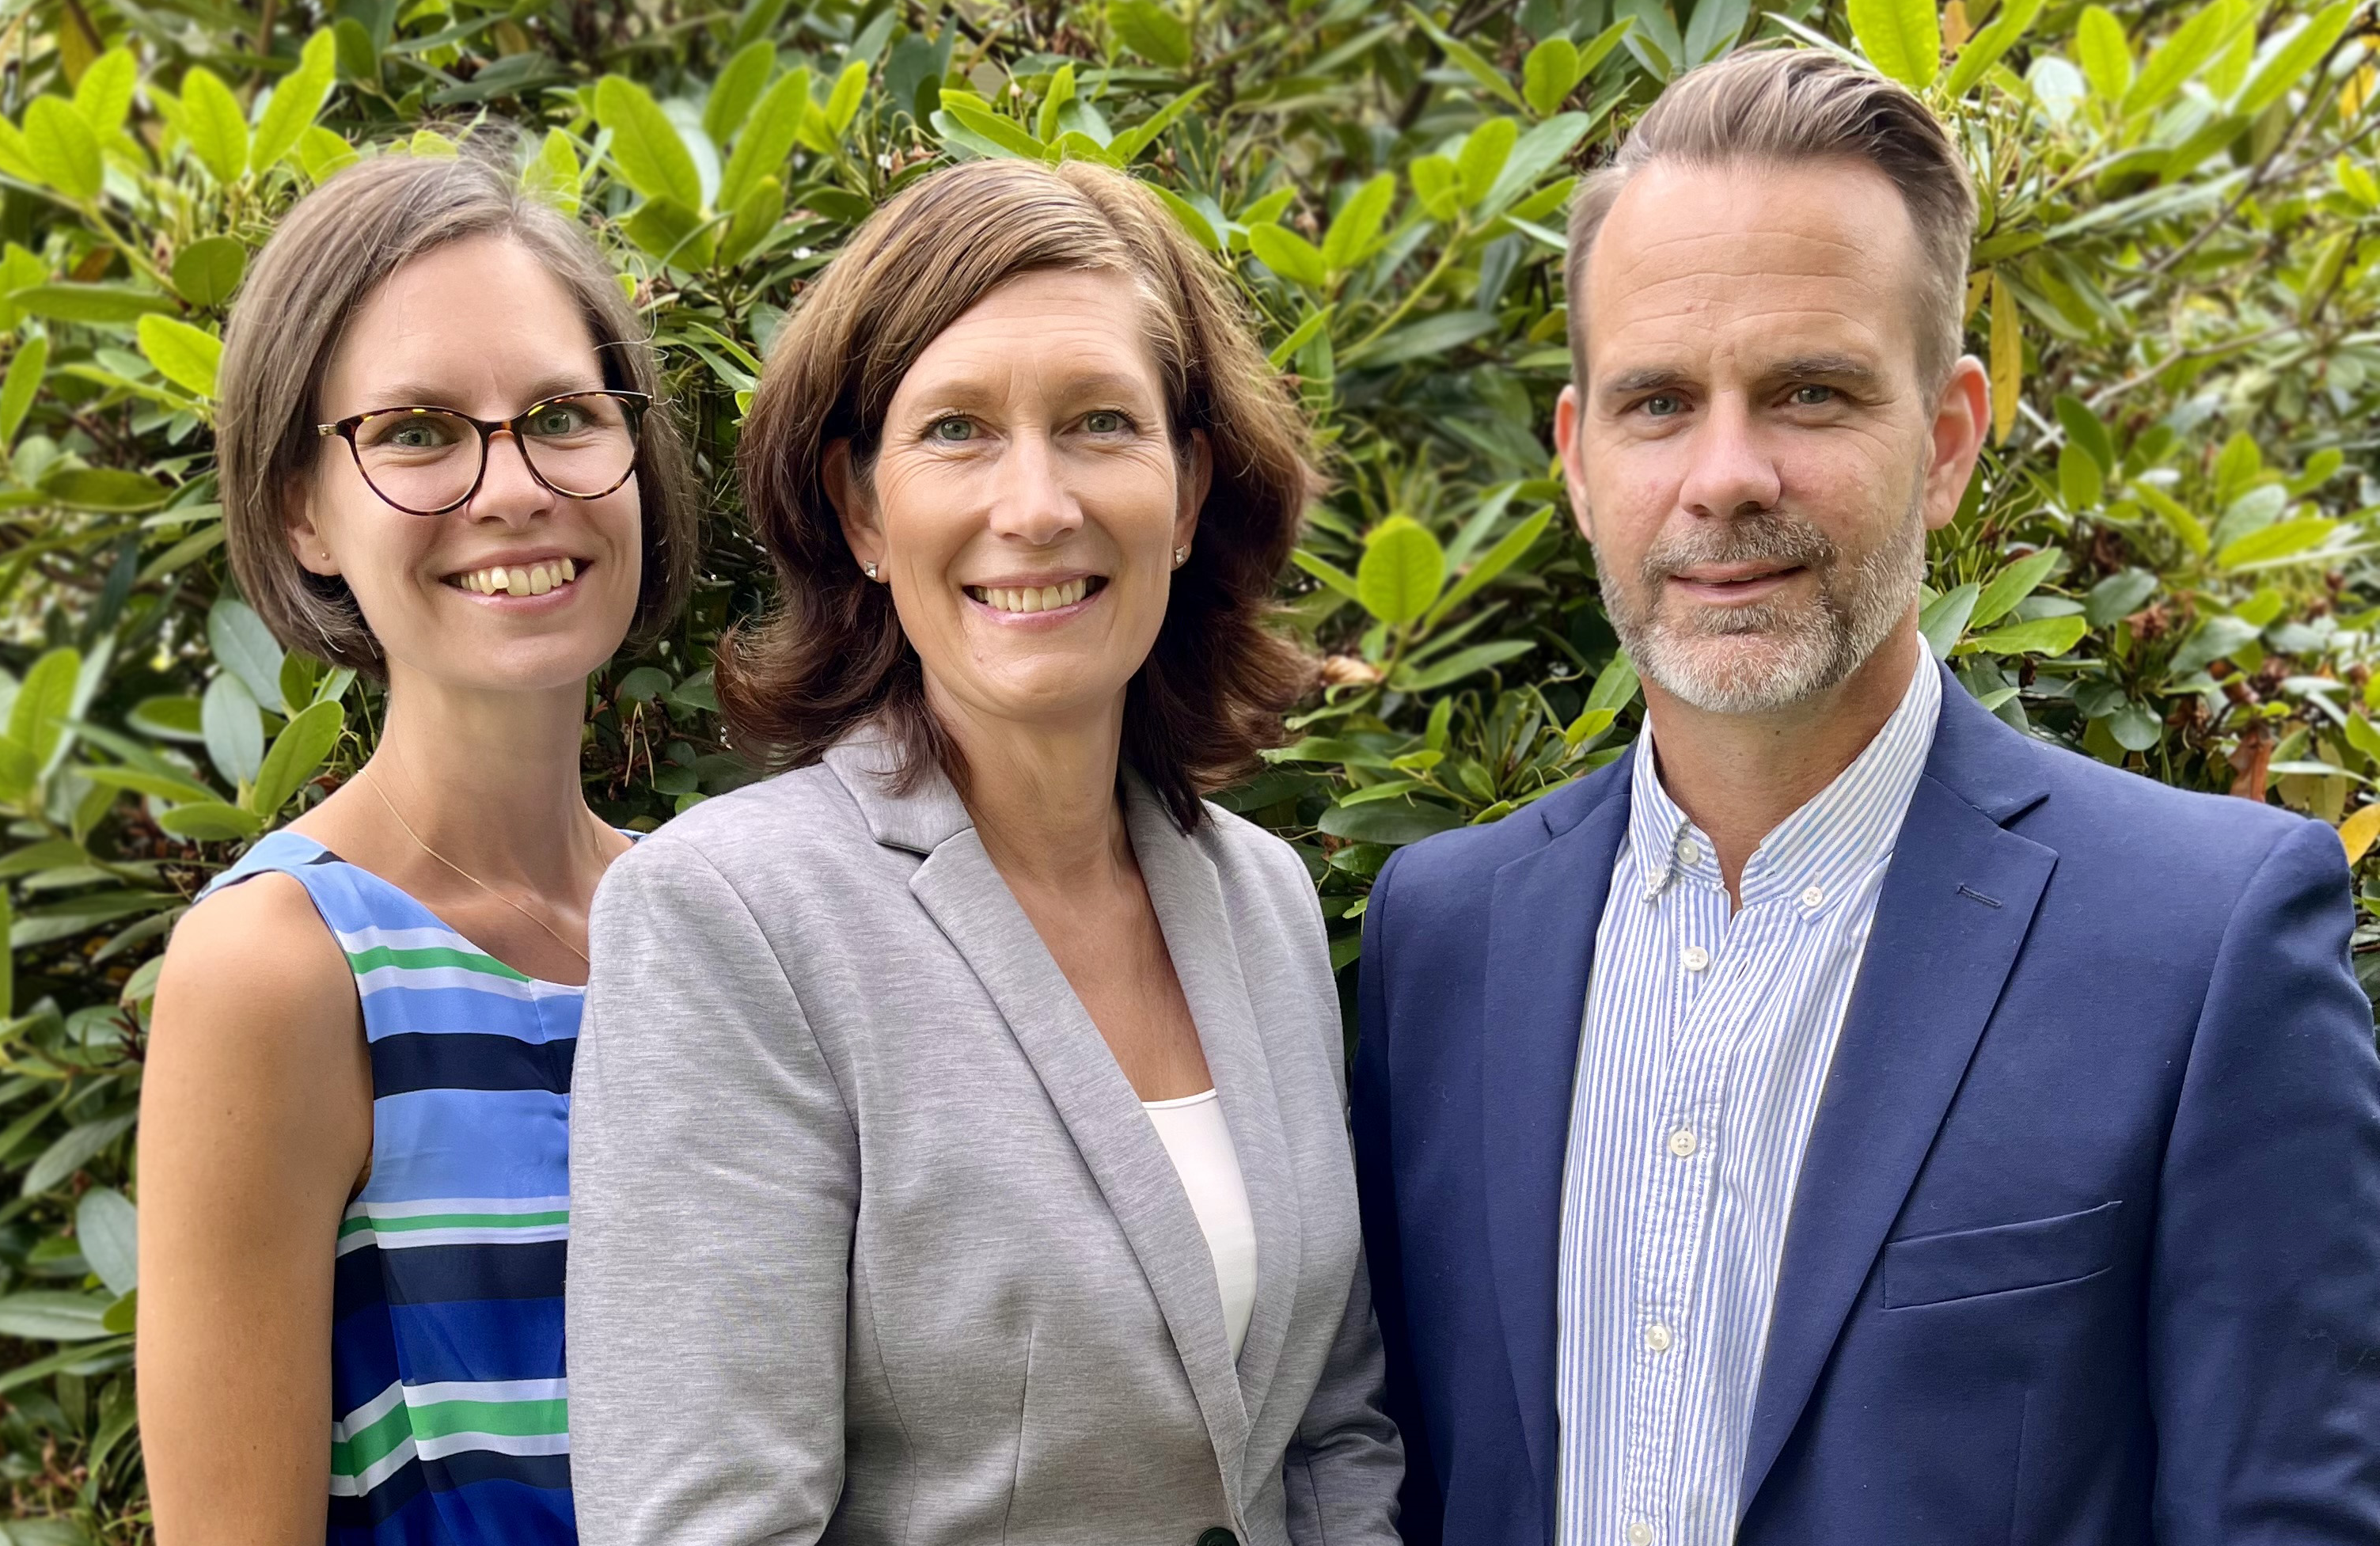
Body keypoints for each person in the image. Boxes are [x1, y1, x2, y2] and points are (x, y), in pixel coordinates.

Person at [1353, 47, 2380, 1546]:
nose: (1724, 475)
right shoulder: (1443, 935)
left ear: (1949, 438)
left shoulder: (2204, 940)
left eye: (1810, 392)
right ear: (1579, 462)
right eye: (1654, 402)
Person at [564, 157, 1403, 1544]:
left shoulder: (1259, 899)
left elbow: (1331, 1429)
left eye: (1096, 424)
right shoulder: (730, 918)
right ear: (861, 509)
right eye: (956, 430)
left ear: (1186, 494)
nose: (1035, 506)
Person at [137, 144, 696, 1545]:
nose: (513, 487)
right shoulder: (278, 969)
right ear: (300, 512)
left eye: (563, 413)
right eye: (417, 432)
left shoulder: (711, 921)